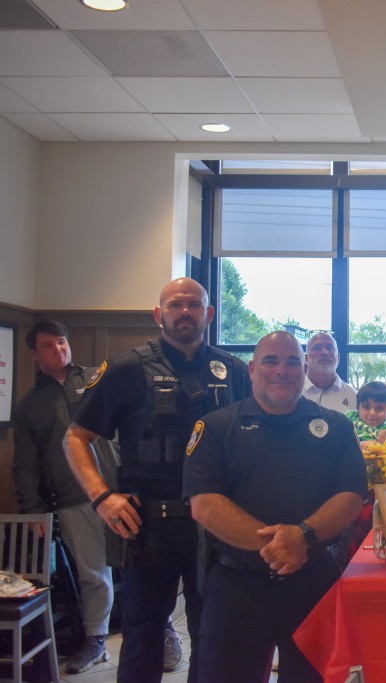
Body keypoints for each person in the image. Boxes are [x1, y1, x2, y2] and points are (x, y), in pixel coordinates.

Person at [64, 277, 251, 683]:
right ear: (158, 314)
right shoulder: (126, 369)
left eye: (194, 305)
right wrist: (101, 498)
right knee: (143, 641)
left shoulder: (233, 370)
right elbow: (75, 439)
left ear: (209, 314)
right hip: (148, 526)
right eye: (175, 304)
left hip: (215, 528)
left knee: (214, 637)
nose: (185, 312)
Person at [184, 331, 366, 682]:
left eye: (292, 361)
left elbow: (351, 496)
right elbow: (204, 504)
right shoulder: (215, 427)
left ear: (305, 367)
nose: (281, 370)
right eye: (271, 361)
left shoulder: (337, 426)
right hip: (236, 587)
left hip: (314, 582)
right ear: (252, 369)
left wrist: (303, 537)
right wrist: (280, 547)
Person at [13, 321, 120, 674]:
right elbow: (25, 465)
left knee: (147, 566)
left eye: (62, 342)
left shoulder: (97, 379)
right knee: (94, 573)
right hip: (75, 499)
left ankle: (161, 627)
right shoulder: (30, 406)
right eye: (47, 345)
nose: (58, 349)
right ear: (34, 354)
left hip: (125, 490)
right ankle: (96, 639)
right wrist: (33, 512)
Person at [302, 331, 357, 412]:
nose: (324, 352)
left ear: (338, 358)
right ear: (306, 358)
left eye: (330, 348)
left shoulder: (354, 398)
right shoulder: (293, 394)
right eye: (317, 348)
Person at [345, 381, 386, 445]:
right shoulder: (350, 415)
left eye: (379, 408)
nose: (372, 413)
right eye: (366, 407)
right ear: (358, 407)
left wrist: (385, 443)